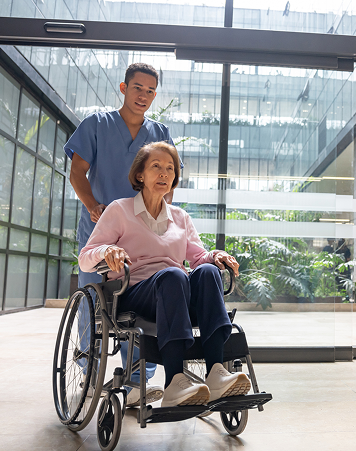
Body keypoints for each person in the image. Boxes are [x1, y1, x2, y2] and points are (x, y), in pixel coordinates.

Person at [78, 142, 251, 407]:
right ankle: (174, 382)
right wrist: (106, 251)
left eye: (170, 169)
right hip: (135, 292)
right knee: (173, 275)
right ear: (140, 175)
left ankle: (216, 372)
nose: (164, 174)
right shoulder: (119, 210)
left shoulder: (180, 217)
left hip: (176, 291)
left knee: (206, 272)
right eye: (156, 167)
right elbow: (85, 258)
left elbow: (198, 256)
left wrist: (215, 256)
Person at [64, 62, 178, 407]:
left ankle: (137, 381)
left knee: (144, 310)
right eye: (137, 88)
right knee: (95, 305)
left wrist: (160, 216)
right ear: (123, 87)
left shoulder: (159, 134)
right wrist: (93, 206)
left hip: (144, 235)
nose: (143, 95)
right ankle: (89, 370)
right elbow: (77, 172)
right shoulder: (97, 125)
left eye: (150, 90)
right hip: (102, 230)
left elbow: (167, 184)